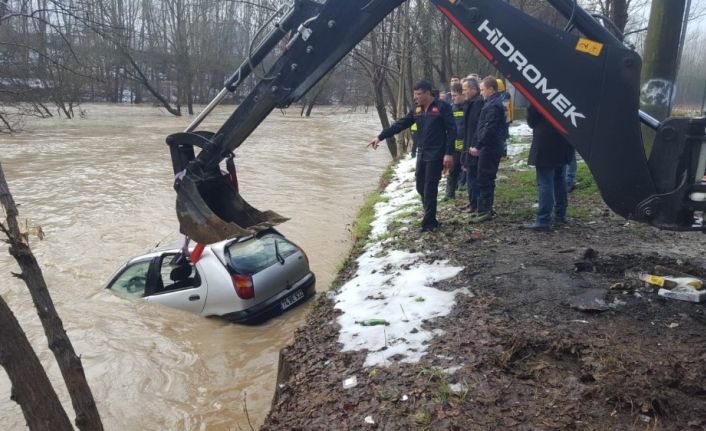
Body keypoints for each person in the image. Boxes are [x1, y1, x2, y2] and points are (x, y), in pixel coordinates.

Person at [369, 80, 455, 232]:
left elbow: (452, 131)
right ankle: (431, 215)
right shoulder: (416, 109)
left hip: (437, 153)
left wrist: (449, 153)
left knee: (430, 186)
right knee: (420, 186)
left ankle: (429, 223)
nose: (416, 97)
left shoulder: (443, 107)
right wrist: (380, 137)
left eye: (418, 94)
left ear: (428, 93)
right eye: (414, 94)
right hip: (422, 151)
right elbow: (400, 124)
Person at [523, 104, 574, 231]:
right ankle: (560, 214)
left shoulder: (541, 93)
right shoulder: (566, 94)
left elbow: (532, 120)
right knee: (559, 179)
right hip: (563, 140)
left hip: (545, 142)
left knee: (545, 182)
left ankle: (543, 220)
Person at [468, 76, 505, 223]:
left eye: (483, 90)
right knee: (485, 177)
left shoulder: (493, 106)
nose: (481, 93)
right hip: (489, 147)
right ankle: (486, 208)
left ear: (491, 89)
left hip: (490, 148)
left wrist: (478, 146)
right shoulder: (490, 103)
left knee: (485, 178)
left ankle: (485, 211)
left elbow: (488, 129)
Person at [460, 78, 483, 213]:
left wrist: (475, 146)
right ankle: (472, 202)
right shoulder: (469, 103)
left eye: (465, 90)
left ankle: (475, 203)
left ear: (474, 89)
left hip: (474, 147)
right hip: (468, 144)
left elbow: (477, 127)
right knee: (470, 175)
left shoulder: (478, 103)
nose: (463, 93)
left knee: (473, 176)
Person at [444, 83, 466, 200]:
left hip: (467, 144)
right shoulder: (451, 108)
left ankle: (463, 185)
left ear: (462, 94)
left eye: (455, 95)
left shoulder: (469, 107)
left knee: (468, 170)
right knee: (453, 170)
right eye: (451, 96)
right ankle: (449, 194)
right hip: (455, 144)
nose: (452, 98)